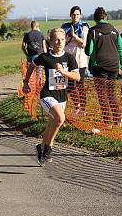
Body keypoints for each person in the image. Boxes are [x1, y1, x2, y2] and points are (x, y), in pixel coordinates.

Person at [22, 28, 80, 165]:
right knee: (60, 119)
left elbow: (77, 77)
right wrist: (25, 83)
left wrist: (64, 72)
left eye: (62, 39)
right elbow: (31, 66)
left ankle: (41, 148)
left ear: (65, 41)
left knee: (52, 124)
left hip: (62, 97)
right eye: (56, 40)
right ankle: (48, 148)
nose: (59, 42)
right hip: (47, 95)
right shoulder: (45, 57)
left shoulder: (69, 58)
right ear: (51, 41)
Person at [85, 7, 122, 132]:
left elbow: (89, 51)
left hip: (100, 67)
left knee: (102, 95)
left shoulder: (92, 31)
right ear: (106, 17)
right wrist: (121, 65)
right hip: (114, 66)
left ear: (95, 18)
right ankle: (117, 120)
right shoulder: (114, 30)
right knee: (111, 93)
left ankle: (107, 122)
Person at [61, 6, 90, 116]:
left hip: (80, 60)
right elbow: (62, 41)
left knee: (80, 85)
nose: (75, 16)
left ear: (80, 16)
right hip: (68, 60)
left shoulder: (84, 27)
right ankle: (77, 106)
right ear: (70, 15)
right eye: (74, 14)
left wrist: (74, 36)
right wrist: (69, 36)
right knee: (70, 86)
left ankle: (83, 108)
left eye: (77, 14)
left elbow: (84, 43)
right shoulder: (65, 27)